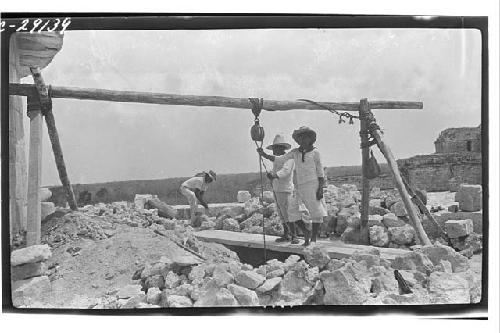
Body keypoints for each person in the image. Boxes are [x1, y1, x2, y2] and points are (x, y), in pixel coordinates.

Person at [261, 126, 327, 243]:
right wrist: (265, 155)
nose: (302, 141)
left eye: (304, 138)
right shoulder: (295, 152)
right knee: (292, 211)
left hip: (313, 184)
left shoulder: (315, 153)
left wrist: (320, 188)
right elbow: (281, 159)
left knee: (316, 211)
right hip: (299, 186)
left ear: (310, 139)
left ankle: (313, 239)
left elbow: (320, 172)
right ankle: (306, 231)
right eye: (300, 138)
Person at [257, 134, 311, 246]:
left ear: (282, 149)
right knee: (282, 214)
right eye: (274, 148)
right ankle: (287, 235)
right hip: (277, 190)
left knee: (290, 213)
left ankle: (295, 235)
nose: (275, 150)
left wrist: (275, 175)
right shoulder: (278, 160)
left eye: (277, 148)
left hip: (286, 190)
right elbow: (276, 168)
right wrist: (272, 174)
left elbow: (285, 172)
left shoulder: (289, 159)